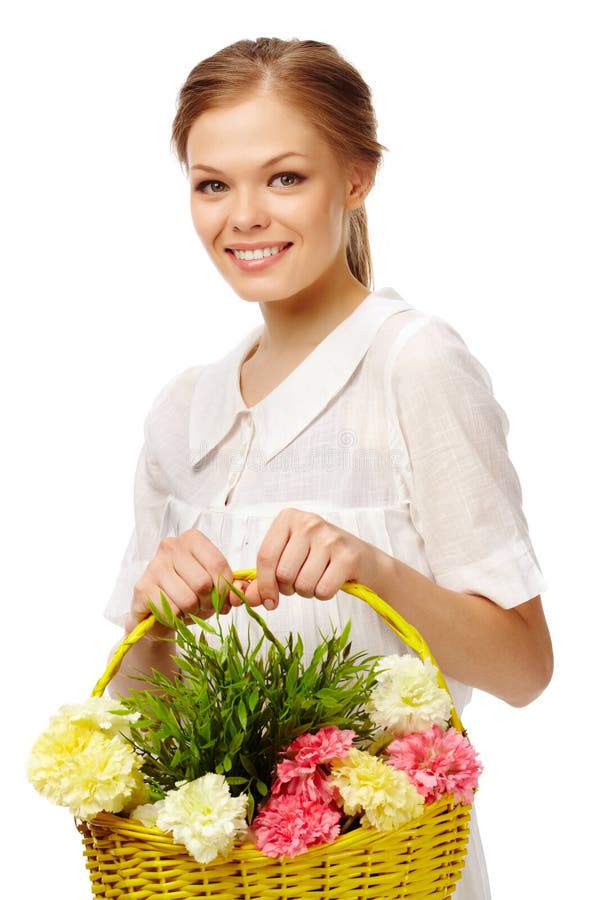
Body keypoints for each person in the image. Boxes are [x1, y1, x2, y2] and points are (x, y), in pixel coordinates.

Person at [104, 37, 553, 898]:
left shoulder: (411, 367)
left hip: (387, 876)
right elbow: (142, 723)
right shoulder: (181, 414)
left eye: (283, 177)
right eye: (212, 184)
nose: (243, 217)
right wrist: (151, 622)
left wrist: (375, 568)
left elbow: (527, 667)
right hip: (217, 880)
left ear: (356, 178)